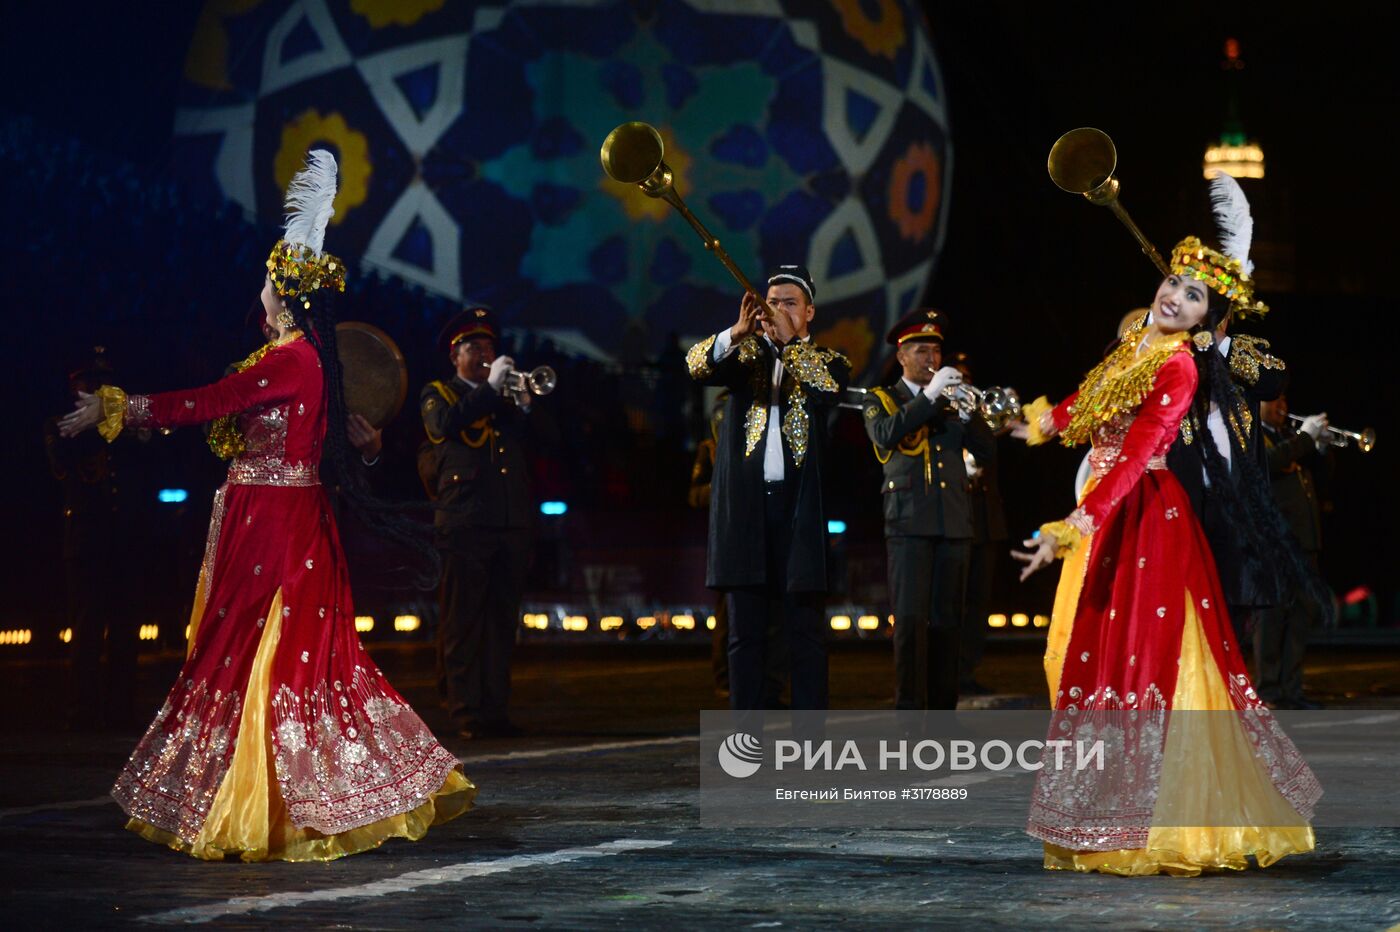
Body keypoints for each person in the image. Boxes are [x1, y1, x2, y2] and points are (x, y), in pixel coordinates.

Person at [58, 151, 474, 862]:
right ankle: (279, 797)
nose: (259, 291)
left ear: (285, 291)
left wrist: (117, 407)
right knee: (269, 656)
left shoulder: (291, 359)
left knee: (264, 656)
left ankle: (274, 806)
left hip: (276, 528)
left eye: (267, 282)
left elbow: (210, 403)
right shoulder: (298, 357)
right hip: (271, 519)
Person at [1011, 172, 1319, 875]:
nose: (1173, 297)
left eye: (1193, 296)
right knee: (1082, 659)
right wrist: (1032, 422)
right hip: (1110, 518)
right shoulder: (1132, 347)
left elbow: (1144, 451)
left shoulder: (1181, 365)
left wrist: (1074, 522)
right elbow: (1080, 404)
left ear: (1210, 316)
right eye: (1174, 284)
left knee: (1159, 667)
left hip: (1144, 516)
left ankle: (1167, 824)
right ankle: (1104, 815)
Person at [686, 265, 851, 716]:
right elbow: (696, 365)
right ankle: (746, 744)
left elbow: (828, 389)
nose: (777, 310)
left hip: (798, 513)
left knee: (806, 632)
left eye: (789, 303)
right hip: (745, 513)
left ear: (809, 311)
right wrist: (737, 332)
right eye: (771, 302)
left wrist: (792, 344)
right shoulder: (742, 361)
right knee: (744, 634)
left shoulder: (828, 361)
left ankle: (809, 746)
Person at [862, 310, 995, 710]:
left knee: (948, 625)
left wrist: (972, 419)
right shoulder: (881, 399)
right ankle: (908, 715)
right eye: (921, 350)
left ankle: (943, 716)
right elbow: (886, 434)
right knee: (909, 624)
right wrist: (930, 396)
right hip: (907, 522)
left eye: (936, 350)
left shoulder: (952, 399)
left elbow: (987, 453)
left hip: (953, 521)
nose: (931, 358)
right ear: (901, 356)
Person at [420, 306, 535, 739]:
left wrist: (523, 404)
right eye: (473, 346)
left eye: (488, 345)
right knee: (463, 620)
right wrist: (489, 388)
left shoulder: (501, 395)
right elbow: (444, 426)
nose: (484, 352)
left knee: (501, 622)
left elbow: (541, 444)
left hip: (508, 521)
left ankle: (495, 709)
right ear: (455, 356)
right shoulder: (439, 393)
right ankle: (465, 709)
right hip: (465, 521)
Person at [1258, 393, 1331, 709]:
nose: (1282, 407)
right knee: (1273, 617)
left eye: (1285, 401)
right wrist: (1305, 438)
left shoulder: (1289, 436)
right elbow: (1269, 465)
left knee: (1301, 616)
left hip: (1304, 539)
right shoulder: (1253, 436)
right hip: (1276, 540)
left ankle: (1292, 689)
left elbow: (1324, 476)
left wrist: (1322, 445)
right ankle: (1268, 690)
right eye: (1273, 401)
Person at [951, 351, 1008, 696]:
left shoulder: (981, 421)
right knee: (951, 603)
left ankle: (966, 672)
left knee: (977, 604)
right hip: (956, 519)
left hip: (986, 522)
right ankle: (946, 672)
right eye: (957, 379)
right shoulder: (941, 419)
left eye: (968, 380)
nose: (965, 386)